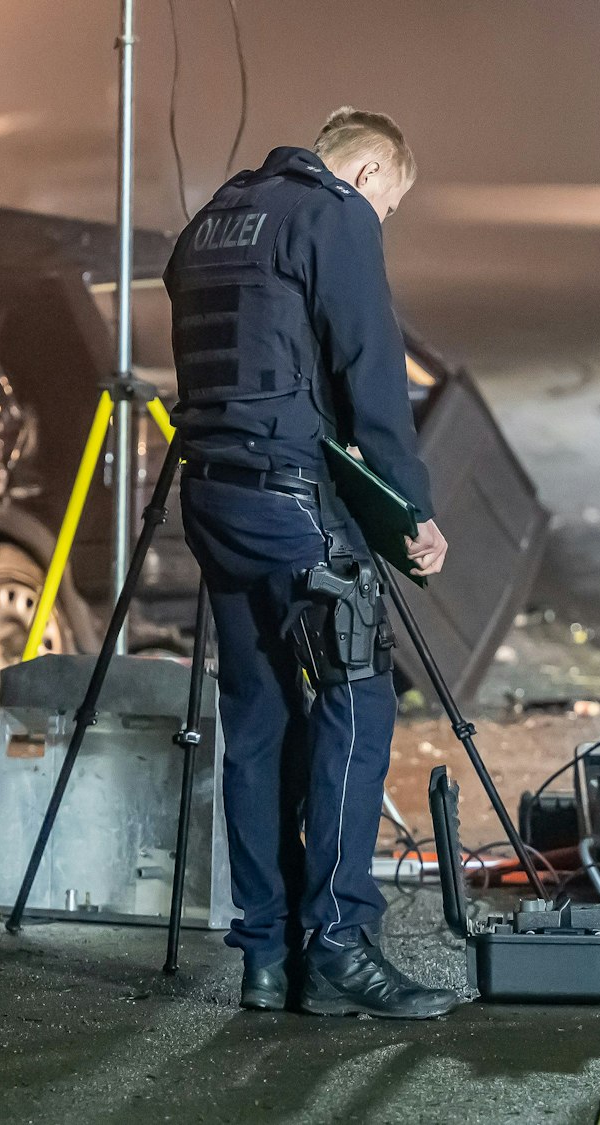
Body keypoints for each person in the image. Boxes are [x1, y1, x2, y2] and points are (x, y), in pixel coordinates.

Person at [165, 107, 454, 1019]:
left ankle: (265, 954)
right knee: (359, 701)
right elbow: (372, 371)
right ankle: (337, 940)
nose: (383, 223)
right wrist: (411, 510)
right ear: (367, 173)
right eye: (390, 206)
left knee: (257, 720)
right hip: (294, 508)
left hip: (210, 496)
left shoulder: (213, 219)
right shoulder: (333, 214)